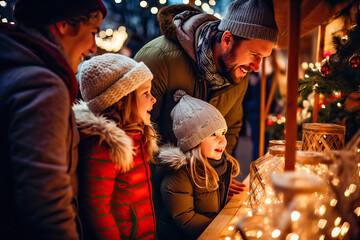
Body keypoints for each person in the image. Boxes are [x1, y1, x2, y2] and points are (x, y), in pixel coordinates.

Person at [0, 0, 106, 239]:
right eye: (93, 33)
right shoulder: (42, 86)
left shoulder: (12, 67)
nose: (93, 48)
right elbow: (46, 204)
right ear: (64, 25)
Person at [134, 0, 278, 156]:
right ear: (227, 40)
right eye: (254, 54)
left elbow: (231, 127)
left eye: (263, 57)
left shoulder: (238, 73)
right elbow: (136, 131)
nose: (257, 67)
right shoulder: (160, 58)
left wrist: (221, 174)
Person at [74, 53, 158, 240]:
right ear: (121, 101)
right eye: (145, 93)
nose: (153, 99)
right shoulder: (104, 146)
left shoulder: (136, 135)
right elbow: (97, 211)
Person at [155, 90, 245, 239]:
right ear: (194, 141)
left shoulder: (219, 164)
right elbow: (185, 218)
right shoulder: (179, 174)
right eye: (213, 135)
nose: (223, 141)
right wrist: (221, 229)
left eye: (223, 133)